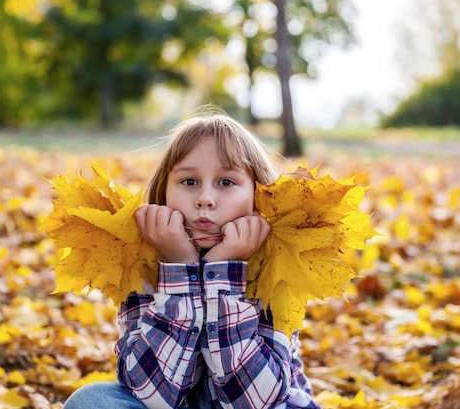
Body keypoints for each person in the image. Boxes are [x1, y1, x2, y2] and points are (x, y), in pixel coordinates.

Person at [63, 110, 321, 409]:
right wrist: (178, 268)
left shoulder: (276, 266)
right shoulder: (141, 261)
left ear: (258, 195)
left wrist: (224, 275)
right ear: (164, 193)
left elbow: (256, 402)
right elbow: (153, 394)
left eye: (226, 182)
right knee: (91, 401)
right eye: (189, 181)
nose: (205, 198)